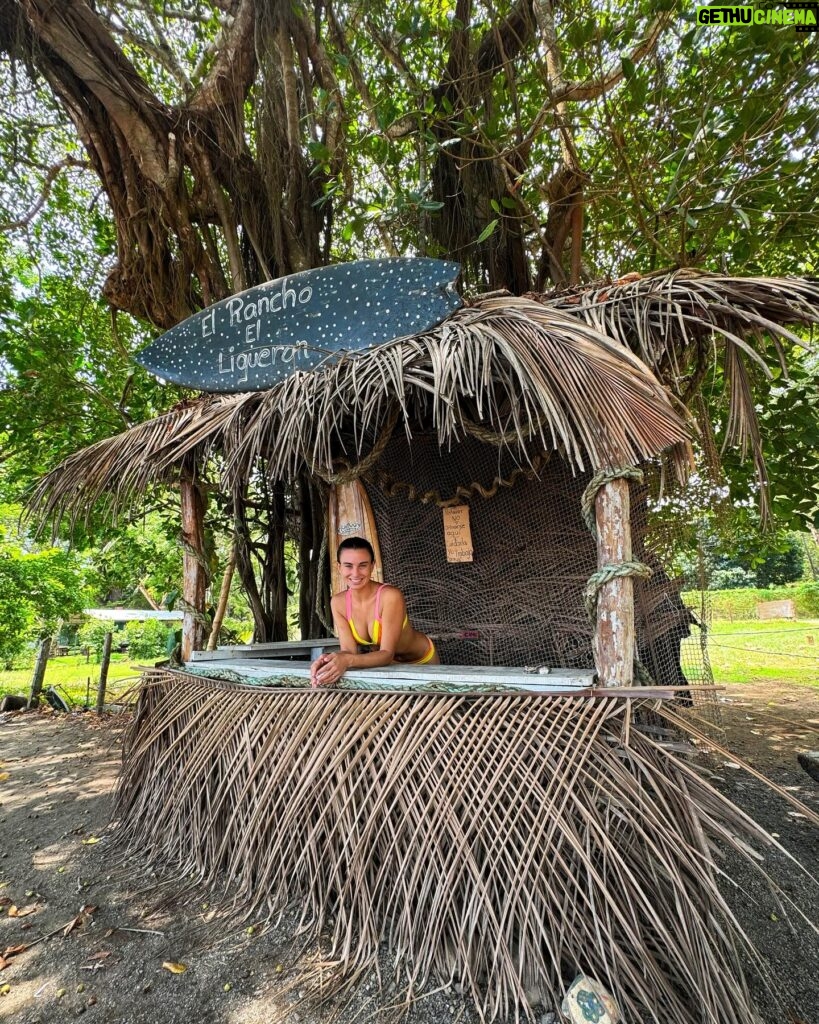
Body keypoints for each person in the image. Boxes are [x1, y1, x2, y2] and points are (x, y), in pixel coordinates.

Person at [310, 536, 439, 687]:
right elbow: (348, 652)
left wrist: (347, 660)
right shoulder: (338, 603)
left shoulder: (390, 596)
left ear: (372, 565)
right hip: (388, 664)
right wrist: (328, 660)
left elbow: (386, 653)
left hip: (421, 660)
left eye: (363, 565)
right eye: (348, 566)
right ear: (339, 567)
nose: (356, 573)